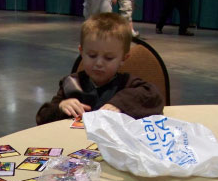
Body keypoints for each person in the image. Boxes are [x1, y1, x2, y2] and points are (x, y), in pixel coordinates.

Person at [36, 13, 164, 125]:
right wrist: (60, 107)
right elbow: (42, 117)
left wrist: (120, 104)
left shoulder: (126, 83)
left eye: (108, 58)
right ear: (81, 52)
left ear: (124, 59)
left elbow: (154, 97)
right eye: (92, 55)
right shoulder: (72, 83)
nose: (99, 63)